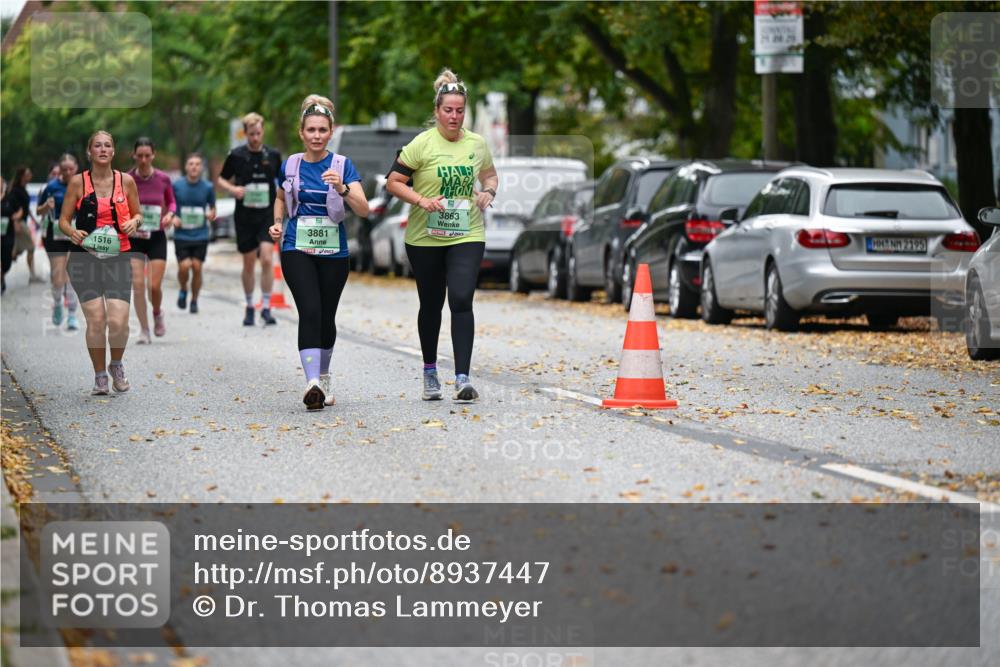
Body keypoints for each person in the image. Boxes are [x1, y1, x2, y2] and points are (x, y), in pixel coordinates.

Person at [386, 69, 498, 402]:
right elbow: (393, 182)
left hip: (467, 233)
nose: (454, 116)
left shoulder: (476, 144)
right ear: (437, 111)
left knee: (461, 298)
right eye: (448, 110)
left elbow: (490, 176)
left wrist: (488, 192)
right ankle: (430, 370)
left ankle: (463, 378)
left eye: (459, 110)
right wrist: (421, 200)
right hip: (425, 237)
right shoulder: (422, 144)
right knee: (432, 303)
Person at [269, 94, 367, 410]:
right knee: (310, 310)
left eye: (322, 130)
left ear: (331, 132)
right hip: (296, 246)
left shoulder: (342, 165)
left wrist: (342, 188)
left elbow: (363, 209)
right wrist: (277, 223)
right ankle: (312, 382)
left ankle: (324, 377)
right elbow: (280, 198)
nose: (316, 136)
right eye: (311, 129)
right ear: (301, 132)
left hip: (334, 252)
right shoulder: (291, 164)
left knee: (326, 316)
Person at [59, 130, 142, 395]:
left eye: (107, 145)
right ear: (90, 152)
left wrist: (134, 222)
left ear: (113, 151)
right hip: (85, 259)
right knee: (96, 320)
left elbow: (138, 214)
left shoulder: (126, 181)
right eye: (97, 145)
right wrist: (72, 232)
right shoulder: (77, 183)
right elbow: (63, 220)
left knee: (118, 321)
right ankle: (100, 377)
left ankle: (116, 364)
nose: (103, 149)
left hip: (118, 258)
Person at [218, 112, 283, 326]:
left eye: (258, 133)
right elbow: (221, 179)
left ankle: (266, 307)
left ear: (263, 132)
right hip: (244, 215)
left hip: (266, 214)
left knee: (267, 258)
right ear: (245, 133)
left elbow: (282, 183)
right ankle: (249, 306)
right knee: (248, 262)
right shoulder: (236, 155)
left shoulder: (273, 155)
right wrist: (233, 189)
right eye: (251, 134)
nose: (255, 138)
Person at [127, 138, 176, 343]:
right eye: (140, 156)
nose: (144, 160)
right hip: (135, 238)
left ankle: (157, 312)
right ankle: (144, 330)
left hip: (156, 236)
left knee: (153, 287)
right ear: (134, 155)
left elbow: (172, 202)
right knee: (138, 285)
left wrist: (170, 214)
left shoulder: (163, 179)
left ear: (153, 155)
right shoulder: (126, 179)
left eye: (147, 155)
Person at [36, 154, 81, 330]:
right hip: (55, 235)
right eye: (64, 169)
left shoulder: (83, 186)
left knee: (72, 275)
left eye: (71, 169)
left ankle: (72, 314)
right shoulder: (51, 187)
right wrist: (46, 206)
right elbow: (38, 211)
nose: (68, 172)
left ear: (76, 168)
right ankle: (57, 303)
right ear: (60, 170)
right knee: (58, 277)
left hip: (75, 235)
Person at [172, 153, 216, 314]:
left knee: (197, 267)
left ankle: (194, 300)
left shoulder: (208, 187)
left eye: (197, 164)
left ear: (201, 167)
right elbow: (170, 206)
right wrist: (173, 217)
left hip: (200, 234)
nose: (194, 167)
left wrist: (211, 214)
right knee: (184, 266)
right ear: (186, 167)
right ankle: (183, 288)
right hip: (181, 234)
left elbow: (213, 209)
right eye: (191, 164)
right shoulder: (177, 185)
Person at [8, 166, 43, 284]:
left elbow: (26, 208)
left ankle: (7, 260)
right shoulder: (15, 191)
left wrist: (34, 220)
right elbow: (13, 209)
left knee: (18, 250)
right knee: (30, 247)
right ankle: (32, 276)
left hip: (22, 221)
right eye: (28, 174)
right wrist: (15, 223)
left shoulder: (23, 189)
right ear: (22, 176)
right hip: (19, 223)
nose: (30, 175)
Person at [1, 171, 27, 295]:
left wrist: (16, 218)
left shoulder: (10, 198)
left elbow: (20, 210)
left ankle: (2, 275)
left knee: (7, 260)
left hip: (8, 233)